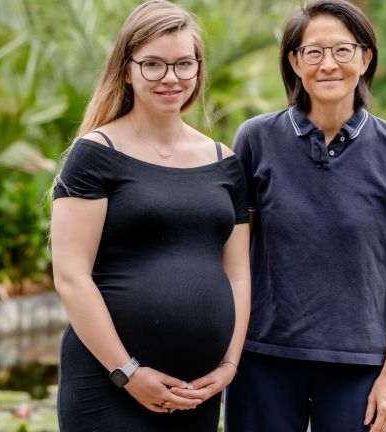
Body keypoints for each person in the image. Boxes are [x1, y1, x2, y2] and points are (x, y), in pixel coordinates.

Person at [221, 1, 386, 431]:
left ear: (366, 57)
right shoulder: (255, 139)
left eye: (343, 50)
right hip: (263, 358)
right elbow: (234, 257)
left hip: (361, 366)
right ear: (294, 62)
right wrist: (226, 354)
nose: (328, 64)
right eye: (313, 52)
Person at [49, 1, 251, 431]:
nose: (170, 78)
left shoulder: (226, 163)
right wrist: (127, 372)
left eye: (183, 64)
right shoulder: (95, 155)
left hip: (196, 391)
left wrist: (229, 365)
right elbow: (71, 276)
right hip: (108, 386)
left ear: (198, 69)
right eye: (153, 65)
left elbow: (238, 275)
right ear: (127, 70)